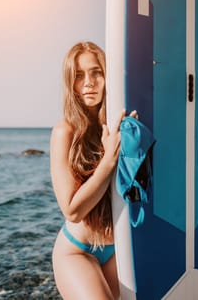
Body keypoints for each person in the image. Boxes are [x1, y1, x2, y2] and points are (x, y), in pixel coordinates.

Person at [50, 41, 137, 300]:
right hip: (77, 250)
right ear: (71, 83)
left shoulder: (116, 126)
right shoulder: (64, 132)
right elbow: (72, 210)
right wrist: (108, 160)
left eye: (96, 72)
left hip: (117, 247)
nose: (88, 82)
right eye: (79, 75)